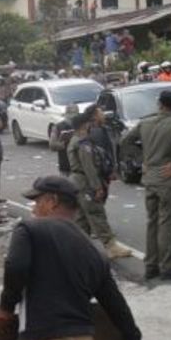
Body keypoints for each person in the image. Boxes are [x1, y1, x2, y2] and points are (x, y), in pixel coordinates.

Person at [0, 176, 145, 340]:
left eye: (37, 201)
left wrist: (5, 306)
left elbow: (16, 266)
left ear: (52, 201)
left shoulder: (29, 229)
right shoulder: (93, 248)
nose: (34, 208)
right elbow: (113, 301)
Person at [121, 89, 171, 280]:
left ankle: (151, 265)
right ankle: (167, 266)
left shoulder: (145, 122)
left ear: (160, 104)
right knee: (166, 222)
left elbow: (125, 141)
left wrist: (141, 160)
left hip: (150, 178)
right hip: (168, 180)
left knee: (152, 222)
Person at [67, 108, 131, 259]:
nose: (90, 126)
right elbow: (89, 167)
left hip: (77, 181)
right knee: (96, 213)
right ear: (84, 125)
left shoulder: (75, 140)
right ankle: (111, 246)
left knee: (82, 218)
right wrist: (97, 187)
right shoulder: (83, 143)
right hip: (85, 182)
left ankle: (78, 249)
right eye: (88, 124)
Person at [48, 106, 78, 177]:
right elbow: (52, 145)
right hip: (65, 165)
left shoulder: (80, 125)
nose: (72, 119)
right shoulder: (58, 127)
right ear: (66, 115)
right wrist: (64, 143)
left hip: (78, 166)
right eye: (70, 116)